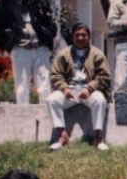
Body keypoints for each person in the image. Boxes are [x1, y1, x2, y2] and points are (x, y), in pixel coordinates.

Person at [48, 22, 112, 151]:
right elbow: (55, 74)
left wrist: (89, 89)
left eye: (84, 35)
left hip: (89, 91)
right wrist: (65, 88)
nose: (81, 38)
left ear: (89, 37)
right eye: (77, 35)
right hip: (70, 92)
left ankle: (98, 137)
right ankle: (62, 135)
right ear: (72, 37)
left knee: (100, 100)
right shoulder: (63, 54)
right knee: (52, 99)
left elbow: (104, 76)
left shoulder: (97, 54)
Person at [0, 0, 57, 105]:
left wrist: (47, 36)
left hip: (41, 48)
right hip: (20, 49)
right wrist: (7, 42)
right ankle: (23, 116)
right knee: (21, 86)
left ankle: (46, 116)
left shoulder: (40, 4)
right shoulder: (4, 6)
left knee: (44, 84)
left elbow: (52, 25)